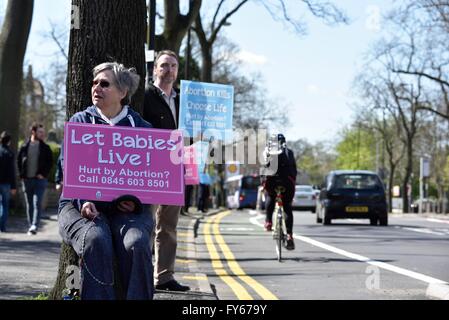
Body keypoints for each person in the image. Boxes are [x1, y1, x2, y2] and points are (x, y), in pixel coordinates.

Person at [58, 62, 155, 300]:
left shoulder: (142, 128)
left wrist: (135, 201)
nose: (96, 87)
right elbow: (67, 167)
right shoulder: (80, 122)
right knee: (95, 239)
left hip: (127, 211)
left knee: (138, 243)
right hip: (78, 206)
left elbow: (151, 178)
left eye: (104, 84)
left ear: (122, 93)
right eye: (94, 83)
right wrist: (84, 200)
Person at [143, 50, 190, 292]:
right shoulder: (145, 96)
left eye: (173, 66)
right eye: (164, 65)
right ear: (155, 69)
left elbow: (191, 135)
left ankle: (164, 278)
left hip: (176, 170)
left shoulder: (184, 100)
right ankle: (141, 275)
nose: (169, 70)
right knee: (146, 223)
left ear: (177, 71)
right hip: (150, 170)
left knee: (168, 227)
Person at [262, 133, 297, 250]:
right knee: (287, 206)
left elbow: (263, 169)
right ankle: (290, 236)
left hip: (271, 181)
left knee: (270, 196)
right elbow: (294, 170)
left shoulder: (267, 151)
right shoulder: (289, 152)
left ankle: (268, 222)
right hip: (287, 182)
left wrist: (262, 184)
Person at [17, 123, 53, 235]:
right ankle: (31, 225)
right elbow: (19, 161)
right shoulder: (24, 147)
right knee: (29, 204)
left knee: (37, 202)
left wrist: (43, 174)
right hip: (27, 180)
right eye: (40, 132)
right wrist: (22, 175)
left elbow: (50, 163)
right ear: (33, 132)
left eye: (43, 132)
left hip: (40, 180)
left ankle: (34, 225)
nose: (43, 134)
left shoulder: (45, 148)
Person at [0, 131, 17, 232]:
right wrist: (14, 186)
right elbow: (12, 171)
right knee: (5, 205)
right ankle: (2, 226)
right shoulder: (9, 153)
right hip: (6, 183)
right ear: (9, 141)